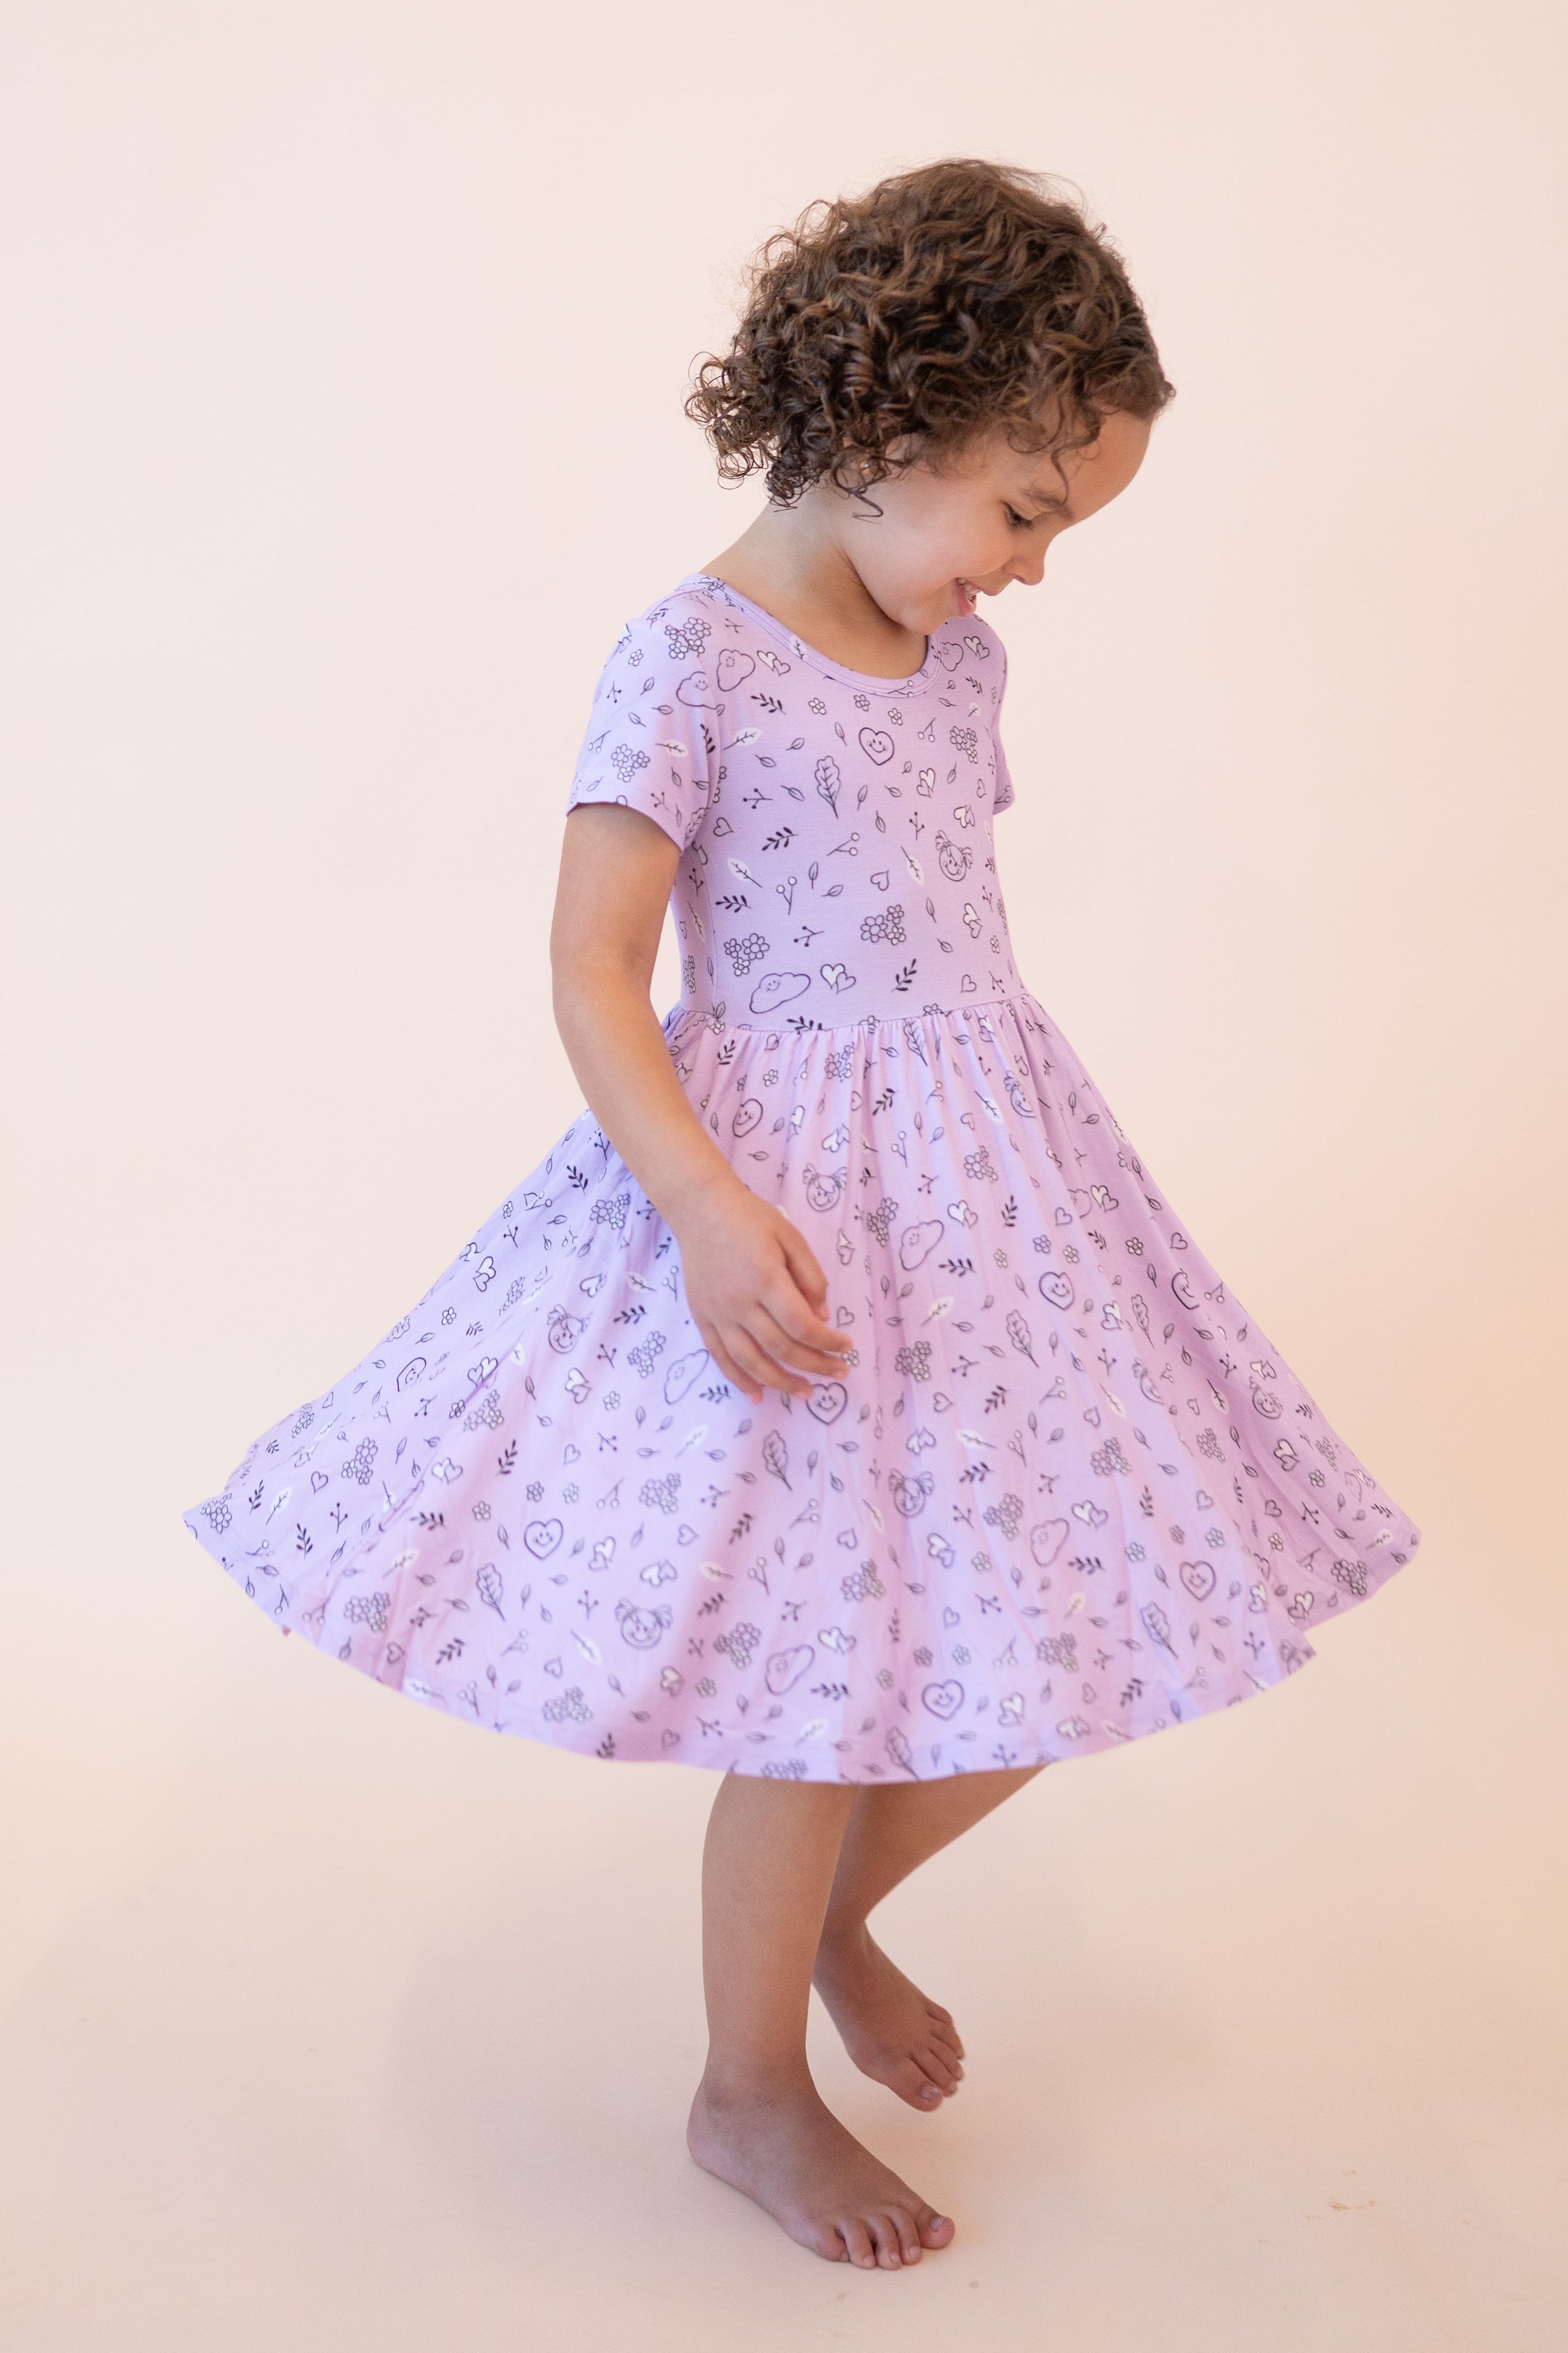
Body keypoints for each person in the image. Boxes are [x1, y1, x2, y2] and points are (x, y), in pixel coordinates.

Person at [183, 157, 1422, 2271]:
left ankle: (835, 1927)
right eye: (1026, 514)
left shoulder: (960, 671)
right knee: (824, 1673)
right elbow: (596, 970)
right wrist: (699, 1204)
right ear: (875, 430)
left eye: (1062, 530)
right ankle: (748, 2090)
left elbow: (949, 934)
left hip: (996, 1197)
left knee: (1075, 1613)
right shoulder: (688, 662)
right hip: (791, 1220)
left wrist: (1010, 1164)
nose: (1034, 573)